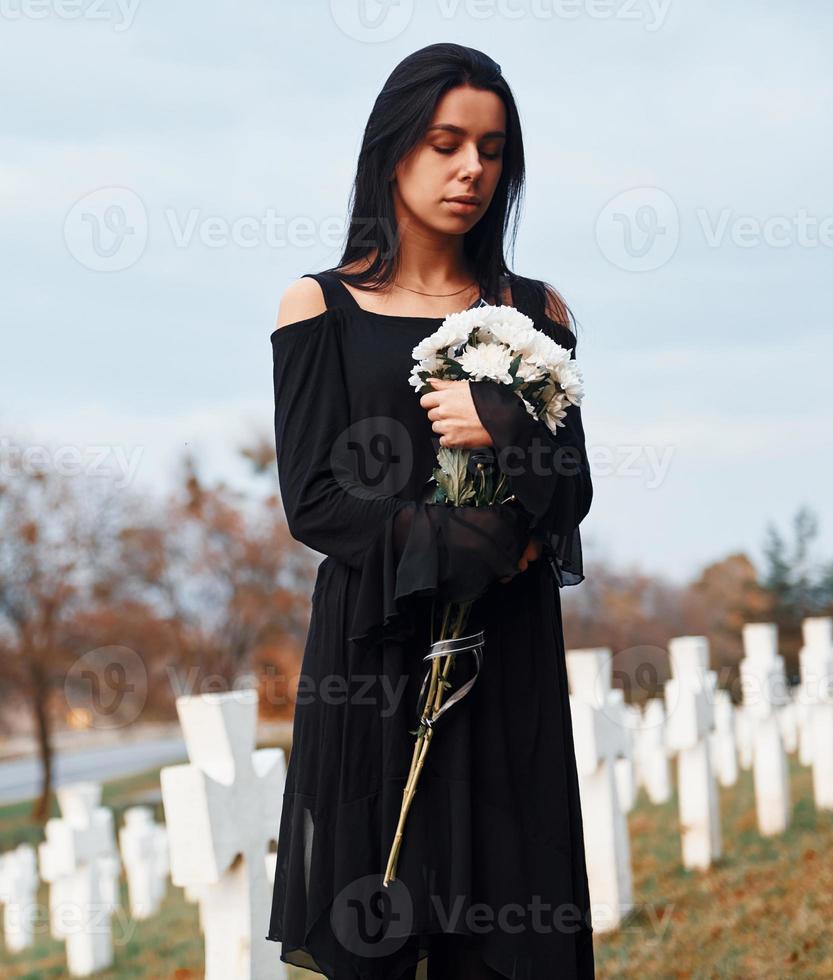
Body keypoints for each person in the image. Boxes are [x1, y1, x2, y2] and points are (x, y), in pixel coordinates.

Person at [266, 42, 596, 979]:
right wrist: (465, 545)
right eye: (448, 143)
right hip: (376, 653)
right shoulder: (317, 308)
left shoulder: (535, 312)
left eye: (492, 151)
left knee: (509, 938)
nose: (471, 171)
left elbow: (568, 491)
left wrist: (500, 420)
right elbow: (316, 502)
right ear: (393, 150)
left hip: (508, 658)